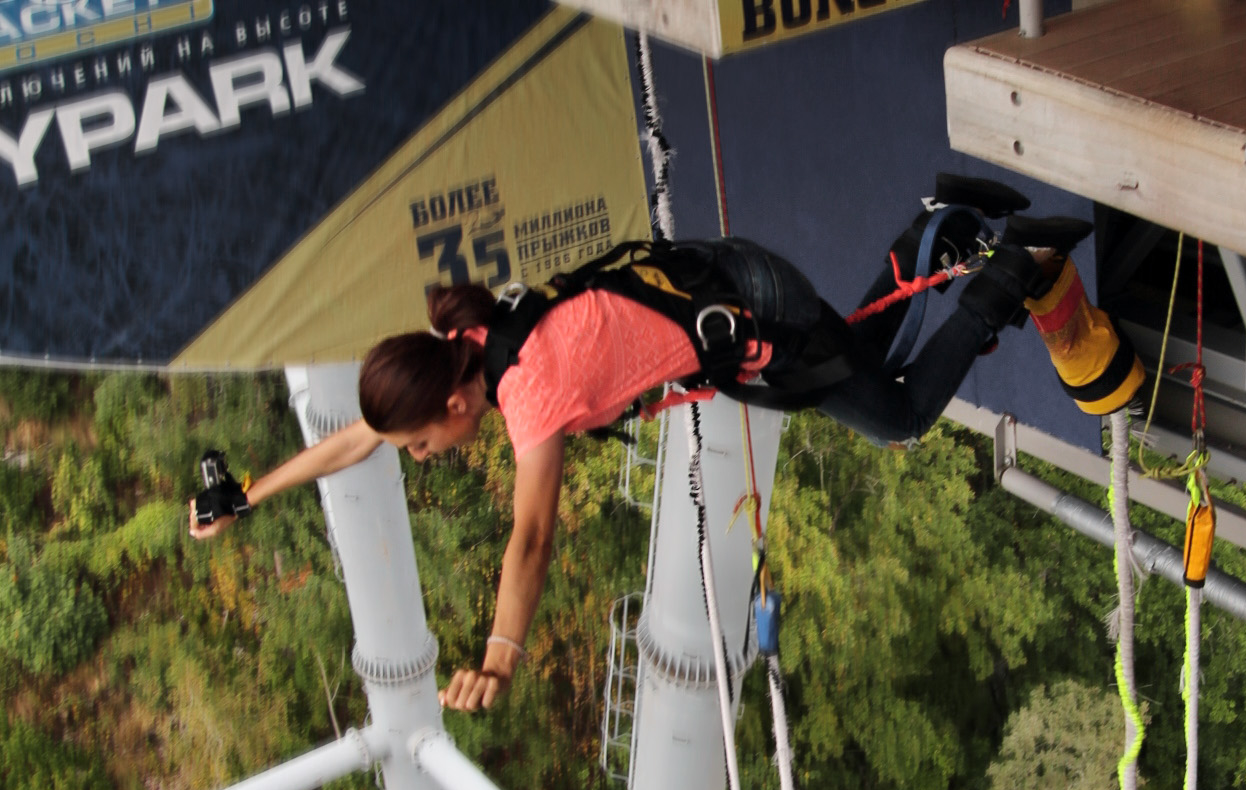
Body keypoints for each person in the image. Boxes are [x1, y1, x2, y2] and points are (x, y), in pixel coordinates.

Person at [190, 180, 1142, 713]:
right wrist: (252, 491)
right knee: (856, 362)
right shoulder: (473, 343)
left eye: (423, 444)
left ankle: (1011, 268)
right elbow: (357, 439)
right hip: (726, 284)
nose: (423, 455)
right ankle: (938, 224)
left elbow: (530, 539)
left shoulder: (529, 392)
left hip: (751, 309)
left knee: (894, 414)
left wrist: (502, 657)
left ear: (448, 403)